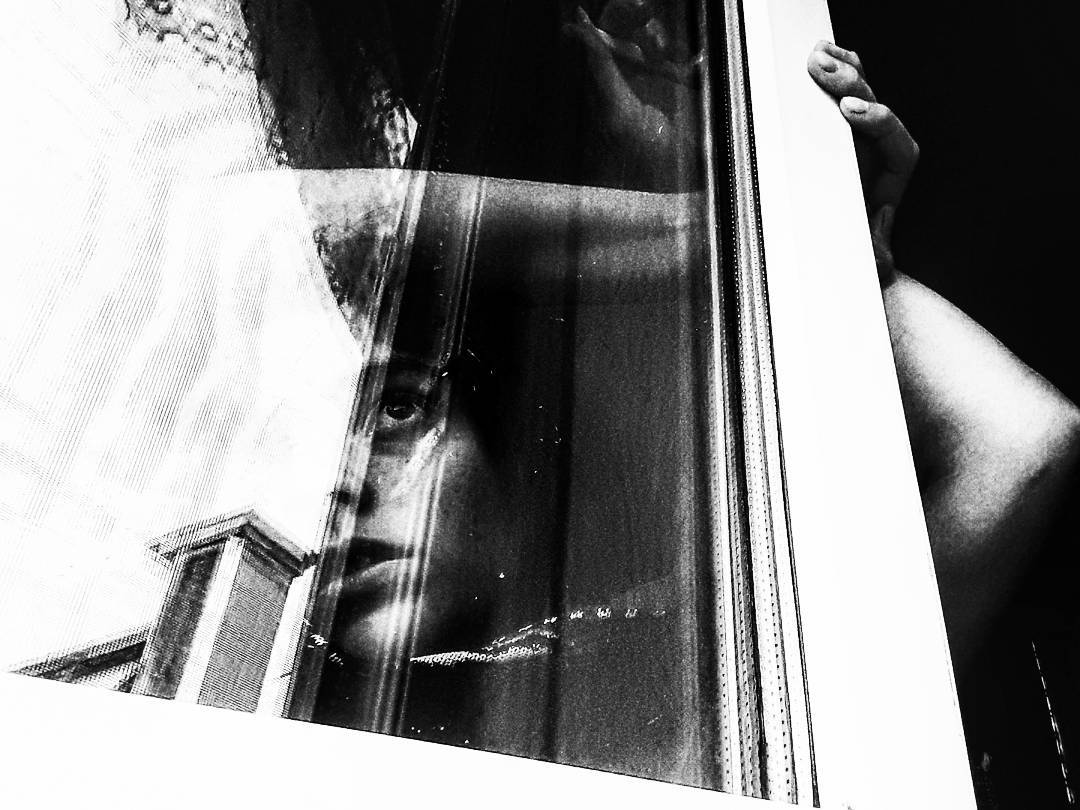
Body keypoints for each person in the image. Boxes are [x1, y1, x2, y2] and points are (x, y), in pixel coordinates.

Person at [307, 0, 1080, 789]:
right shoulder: (254, 715)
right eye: (292, 436)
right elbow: (305, 216)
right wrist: (754, 228)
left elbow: (1016, 441)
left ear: (520, 446)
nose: (336, 482)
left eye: (397, 408)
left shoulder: (733, 720)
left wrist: (818, 245)